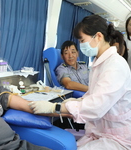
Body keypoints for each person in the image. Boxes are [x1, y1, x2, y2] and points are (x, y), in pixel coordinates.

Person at [29, 15, 131, 150]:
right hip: (100, 130)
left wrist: (56, 108)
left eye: (82, 40)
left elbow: (96, 105)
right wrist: (73, 103)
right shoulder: (98, 64)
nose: (81, 46)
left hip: (117, 136)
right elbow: (91, 95)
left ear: (98, 36)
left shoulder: (115, 65)